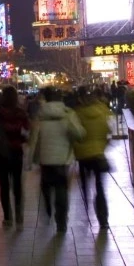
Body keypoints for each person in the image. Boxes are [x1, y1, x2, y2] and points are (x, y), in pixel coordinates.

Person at [31, 87, 84, 233]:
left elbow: (34, 139)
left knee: (46, 187)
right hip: (62, 159)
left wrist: (31, 160)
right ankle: (61, 221)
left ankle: (48, 210)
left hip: (45, 159)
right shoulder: (68, 114)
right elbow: (79, 133)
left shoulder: (40, 115)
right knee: (61, 189)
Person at [0, 86, 30, 228]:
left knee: (4, 185)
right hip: (16, 152)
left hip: (1, 153)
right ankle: (18, 214)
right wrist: (20, 139)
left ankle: (7, 217)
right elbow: (27, 130)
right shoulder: (20, 113)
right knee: (17, 185)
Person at [74, 87, 112, 228]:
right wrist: (102, 146)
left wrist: (76, 149)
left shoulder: (78, 113)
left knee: (85, 182)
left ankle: (86, 206)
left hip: (83, 155)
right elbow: (108, 131)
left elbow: (75, 134)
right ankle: (103, 219)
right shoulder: (102, 111)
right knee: (99, 186)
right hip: (98, 154)